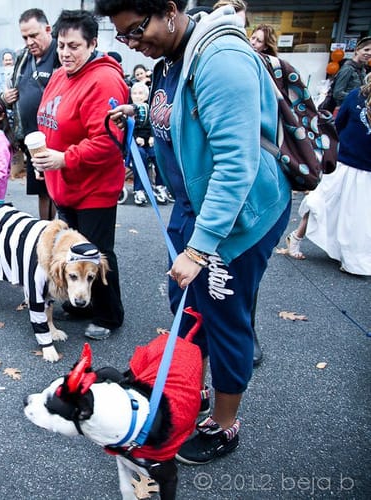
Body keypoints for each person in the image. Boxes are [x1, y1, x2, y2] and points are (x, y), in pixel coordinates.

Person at [97, 0, 291, 464]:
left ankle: (225, 424)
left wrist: (201, 249)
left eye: (137, 30)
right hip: (192, 209)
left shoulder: (221, 60)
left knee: (224, 320)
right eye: (123, 36)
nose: (131, 43)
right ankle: (194, 390)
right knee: (188, 310)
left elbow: (235, 165)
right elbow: (184, 122)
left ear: (168, 10)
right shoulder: (172, 56)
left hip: (236, 218)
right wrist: (141, 115)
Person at [31, 9, 127, 340]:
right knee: (72, 253)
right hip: (64, 184)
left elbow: (108, 143)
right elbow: (49, 122)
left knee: (97, 252)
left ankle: (109, 315)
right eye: (61, 45)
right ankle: (79, 302)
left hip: (94, 188)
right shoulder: (60, 75)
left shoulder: (104, 80)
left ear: (93, 44)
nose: (66, 53)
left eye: (74, 46)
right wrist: (43, 159)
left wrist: (64, 158)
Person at [285, 74, 371, 276]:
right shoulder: (356, 96)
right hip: (345, 163)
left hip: (367, 170)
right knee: (320, 202)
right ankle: (295, 238)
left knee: (357, 216)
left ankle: (350, 257)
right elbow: (337, 125)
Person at [2, 8, 60, 221]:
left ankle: (61, 233)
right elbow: (16, 87)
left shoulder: (60, 53)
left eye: (34, 35)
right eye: (25, 36)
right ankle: (45, 230)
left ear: (47, 29)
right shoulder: (23, 56)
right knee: (41, 188)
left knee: (57, 189)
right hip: (31, 137)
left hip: (55, 136)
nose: (29, 41)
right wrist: (6, 96)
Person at [128, 81, 173, 206]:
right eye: (134, 93)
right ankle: (139, 189)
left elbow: (154, 125)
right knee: (140, 156)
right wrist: (136, 137)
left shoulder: (151, 109)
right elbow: (127, 129)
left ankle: (160, 185)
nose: (137, 96)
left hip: (149, 141)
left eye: (140, 93)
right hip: (134, 143)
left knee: (158, 155)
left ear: (147, 96)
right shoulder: (129, 110)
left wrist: (152, 137)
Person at [332, 36, 371, 109]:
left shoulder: (362, 69)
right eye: (366, 50)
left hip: (356, 109)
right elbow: (337, 93)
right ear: (357, 50)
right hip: (345, 109)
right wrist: (360, 97)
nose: (369, 53)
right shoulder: (348, 68)